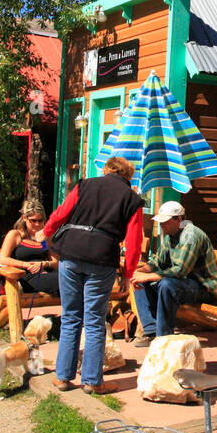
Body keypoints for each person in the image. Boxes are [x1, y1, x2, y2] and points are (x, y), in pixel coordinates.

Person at [44, 157, 144, 394]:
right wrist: (128, 273)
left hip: (70, 252)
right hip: (102, 259)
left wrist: (46, 232)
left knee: (70, 316)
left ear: (107, 170)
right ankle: (92, 380)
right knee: (95, 320)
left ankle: (62, 377)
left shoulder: (84, 185)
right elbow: (134, 241)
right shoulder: (132, 200)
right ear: (128, 176)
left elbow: (61, 213)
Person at [131, 201, 217, 344]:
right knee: (140, 280)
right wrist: (138, 272)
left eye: (165, 222)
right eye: (161, 223)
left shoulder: (190, 235)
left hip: (205, 287)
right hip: (185, 284)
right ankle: (151, 330)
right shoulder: (171, 234)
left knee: (167, 285)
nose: (162, 226)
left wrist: (148, 276)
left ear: (179, 220)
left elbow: (180, 270)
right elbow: (157, 262)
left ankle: (164, 337)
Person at [0, 200, 60, 295]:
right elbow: (3, 259)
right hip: (26, 275)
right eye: (33, 220)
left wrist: (45, 264)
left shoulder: (45, 238)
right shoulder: (16, 235)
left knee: (71, 277)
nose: (37, 224)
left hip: (45, 272)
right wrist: (26, 265)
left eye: (40, 220)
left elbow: (56, 262)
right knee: (62, 281)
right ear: (24, 218)